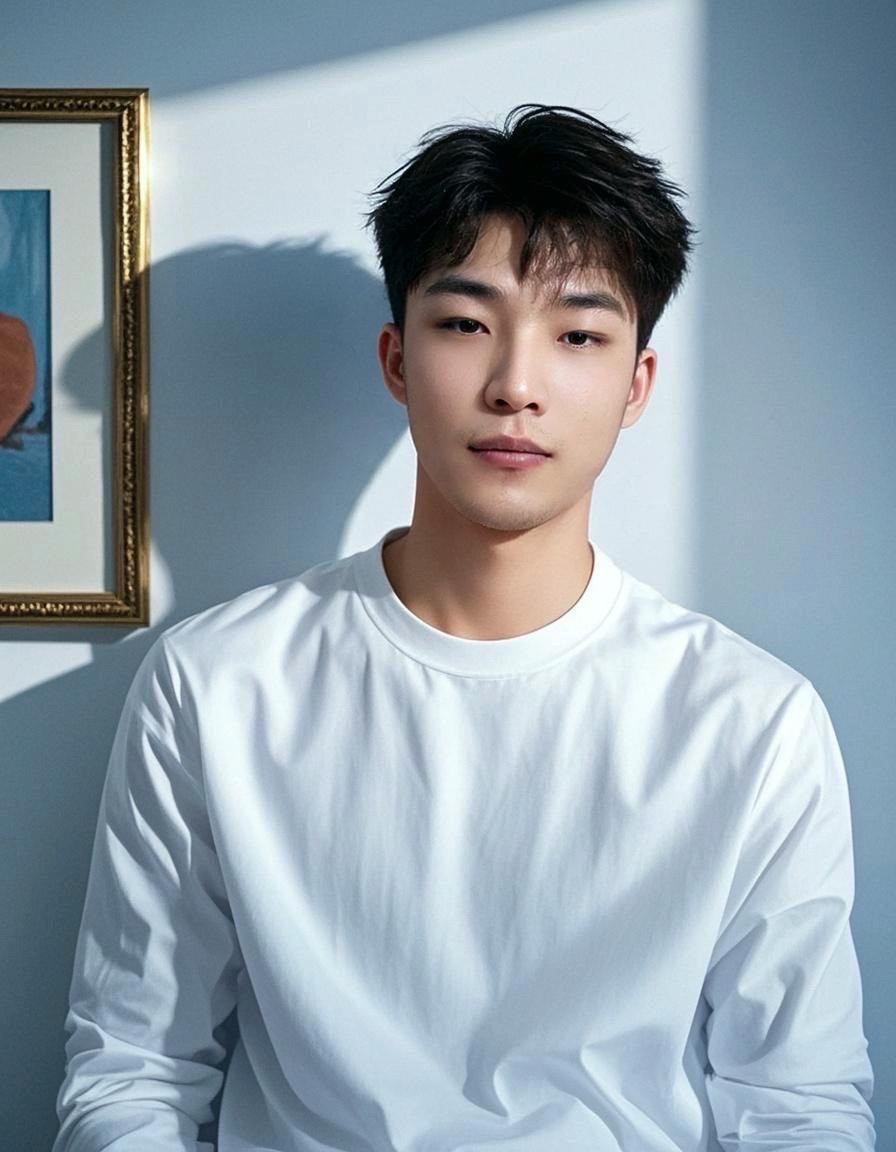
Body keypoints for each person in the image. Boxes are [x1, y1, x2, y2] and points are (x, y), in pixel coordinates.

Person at [53, 104, 875, 1151]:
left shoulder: (752, 721)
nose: (515, 387)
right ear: (397, 360)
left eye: (577, 335)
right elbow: (130, 1070)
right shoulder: (215, 685)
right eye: (465, 324)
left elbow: (797, 1105)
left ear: (635, 384)